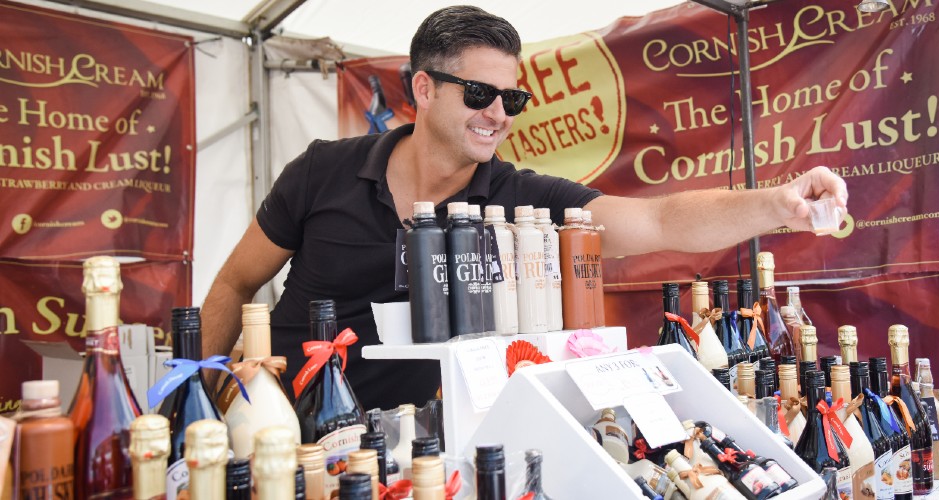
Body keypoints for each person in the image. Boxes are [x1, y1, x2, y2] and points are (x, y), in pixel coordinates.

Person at [200, 6, 848, 412]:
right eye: (481, 92)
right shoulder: (324, 170)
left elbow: (656, 222)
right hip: (285, 432)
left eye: (513, 100)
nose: (498, 115)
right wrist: (197, 396)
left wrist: (778, 205)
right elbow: (234, 281)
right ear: (423, 88)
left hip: (420, 449)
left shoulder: (520, 199)